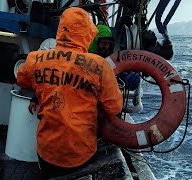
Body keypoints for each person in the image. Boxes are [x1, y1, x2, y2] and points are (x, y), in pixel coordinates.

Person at [17, 7, 123, 179]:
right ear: (87, 33)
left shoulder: (35, 59)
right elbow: (114, 107)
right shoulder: (99, 66)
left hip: (47, 150)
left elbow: (22, 80)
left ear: (61, 30)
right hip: (80, 153)